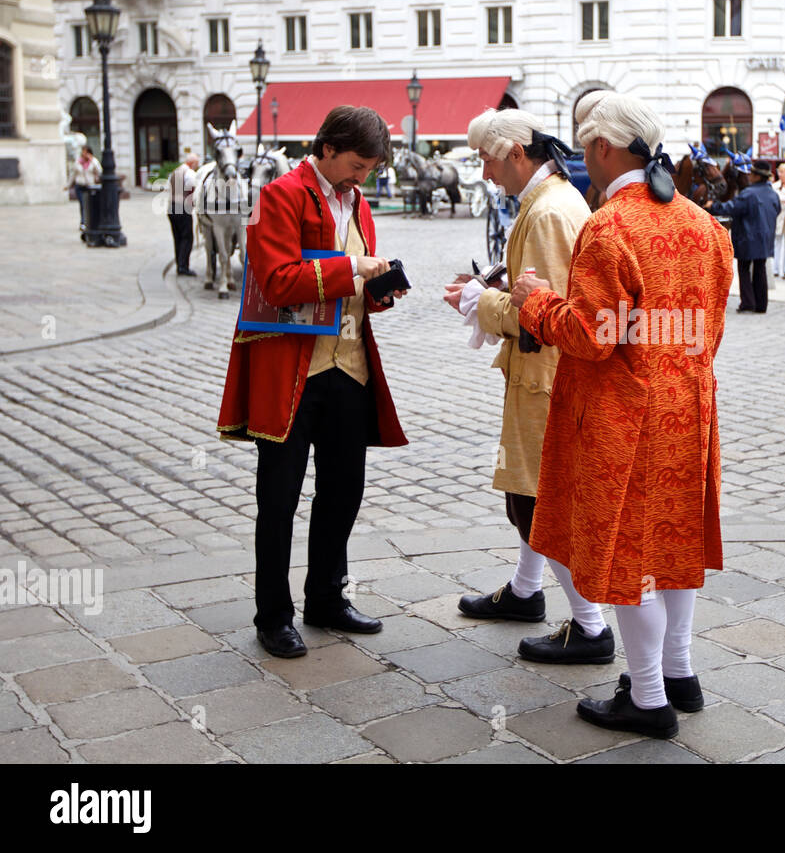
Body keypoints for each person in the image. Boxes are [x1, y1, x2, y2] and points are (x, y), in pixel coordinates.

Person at [509, 89, 733, 739]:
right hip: (689, 409)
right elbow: (709, 330)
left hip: (623, 419)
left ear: (604, 147)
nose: (585, 160)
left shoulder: (609, 226)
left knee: (630, 552)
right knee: (673, 541)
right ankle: (680, 670)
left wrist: (534, 302)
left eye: (586, 149)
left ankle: (648, 696)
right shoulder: (702, 222)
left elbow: (590, 336)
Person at [217, 106, 408, 659]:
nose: (362, 178)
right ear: (326, 148)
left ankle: (326, 596)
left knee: (344, 489)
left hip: (349, 369)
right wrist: (354, 270)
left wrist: (380, 288)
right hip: (292, 374)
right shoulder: (278, 196)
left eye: (370, 169)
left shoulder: (361, 202)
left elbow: (358, 281)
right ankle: (272, 615)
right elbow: (275, 282)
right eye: (356, 165)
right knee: (278, 499)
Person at [447, 108, 615, 665]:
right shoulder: (553, 199)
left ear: (518, 153)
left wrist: (479, 300)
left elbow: (543, 316)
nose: (487, 174)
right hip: (542, 376)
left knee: (534, 499)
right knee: (528, 490)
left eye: (489, 162)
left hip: (545, 378)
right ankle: (524, 590)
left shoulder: (546, 212)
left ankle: (591, 626)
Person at [708, 157, 780, 313]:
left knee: (744, 269)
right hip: (765, 238)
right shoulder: (773, 194)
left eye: (752, 173)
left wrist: (713, 206)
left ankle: (747, 302)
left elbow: (732, 207)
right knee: (760, 269)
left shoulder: (749, 193)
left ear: (758, 176)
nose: (749, 176)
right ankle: (761, 304)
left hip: (747, 238)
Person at [167, 153, 199, 276]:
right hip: (182, 208)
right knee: (187, 238)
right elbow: (193, 189)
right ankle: (183, 266)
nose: (197, 167)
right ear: (192, 163)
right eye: (196, 164)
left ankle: (179, 264)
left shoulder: (176, 171)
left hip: (171, 207)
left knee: (177, 238)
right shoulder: (190, 173)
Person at [68, 145, 101, 233]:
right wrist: (68, 185)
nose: (84, 154)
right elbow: (73, 174)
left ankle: (90, 221)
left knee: (90, 205)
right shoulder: (78, 162)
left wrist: (92, 161)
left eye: (86, 152)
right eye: (83, 152)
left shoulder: (94, 161)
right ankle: (83, 223)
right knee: (82, 204)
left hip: (90, 186)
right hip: (79, 185)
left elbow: (100, 172)